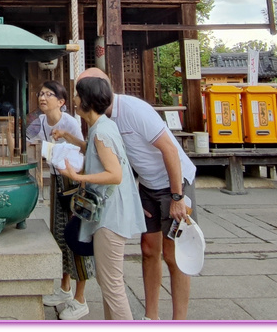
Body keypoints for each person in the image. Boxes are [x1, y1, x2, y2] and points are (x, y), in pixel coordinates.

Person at [77, 68, 194, 321]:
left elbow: (170, 151)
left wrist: (177, 197)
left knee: (174, 254)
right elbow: (119, 161)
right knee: (149, 249)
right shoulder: (102, 122)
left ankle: (180, 321)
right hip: (147, 184)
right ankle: (151, 317)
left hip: (174, 182)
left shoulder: (133, 110)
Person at [56, 76, 146, 320]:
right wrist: (70, 138)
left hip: (110, 216)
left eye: (77, 95)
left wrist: (78, 177)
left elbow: (114, 174)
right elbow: (94, 149)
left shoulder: (100, 132)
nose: (73, 99)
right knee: (109, 284)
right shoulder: (103, 126)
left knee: (112, 285)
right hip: (112, 212)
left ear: (86, 100)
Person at [27, 80, 94, 320]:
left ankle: (80, 298)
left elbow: (86, 151)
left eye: (48, 94)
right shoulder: (42, 121)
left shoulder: (71, 123)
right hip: (57, 181)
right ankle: (65, 288)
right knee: (60, 235)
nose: (42, 98)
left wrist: (83, 183)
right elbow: (31, 141)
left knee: (77, 237)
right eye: (41, 93)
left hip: (75, 182)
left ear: (61, 101)